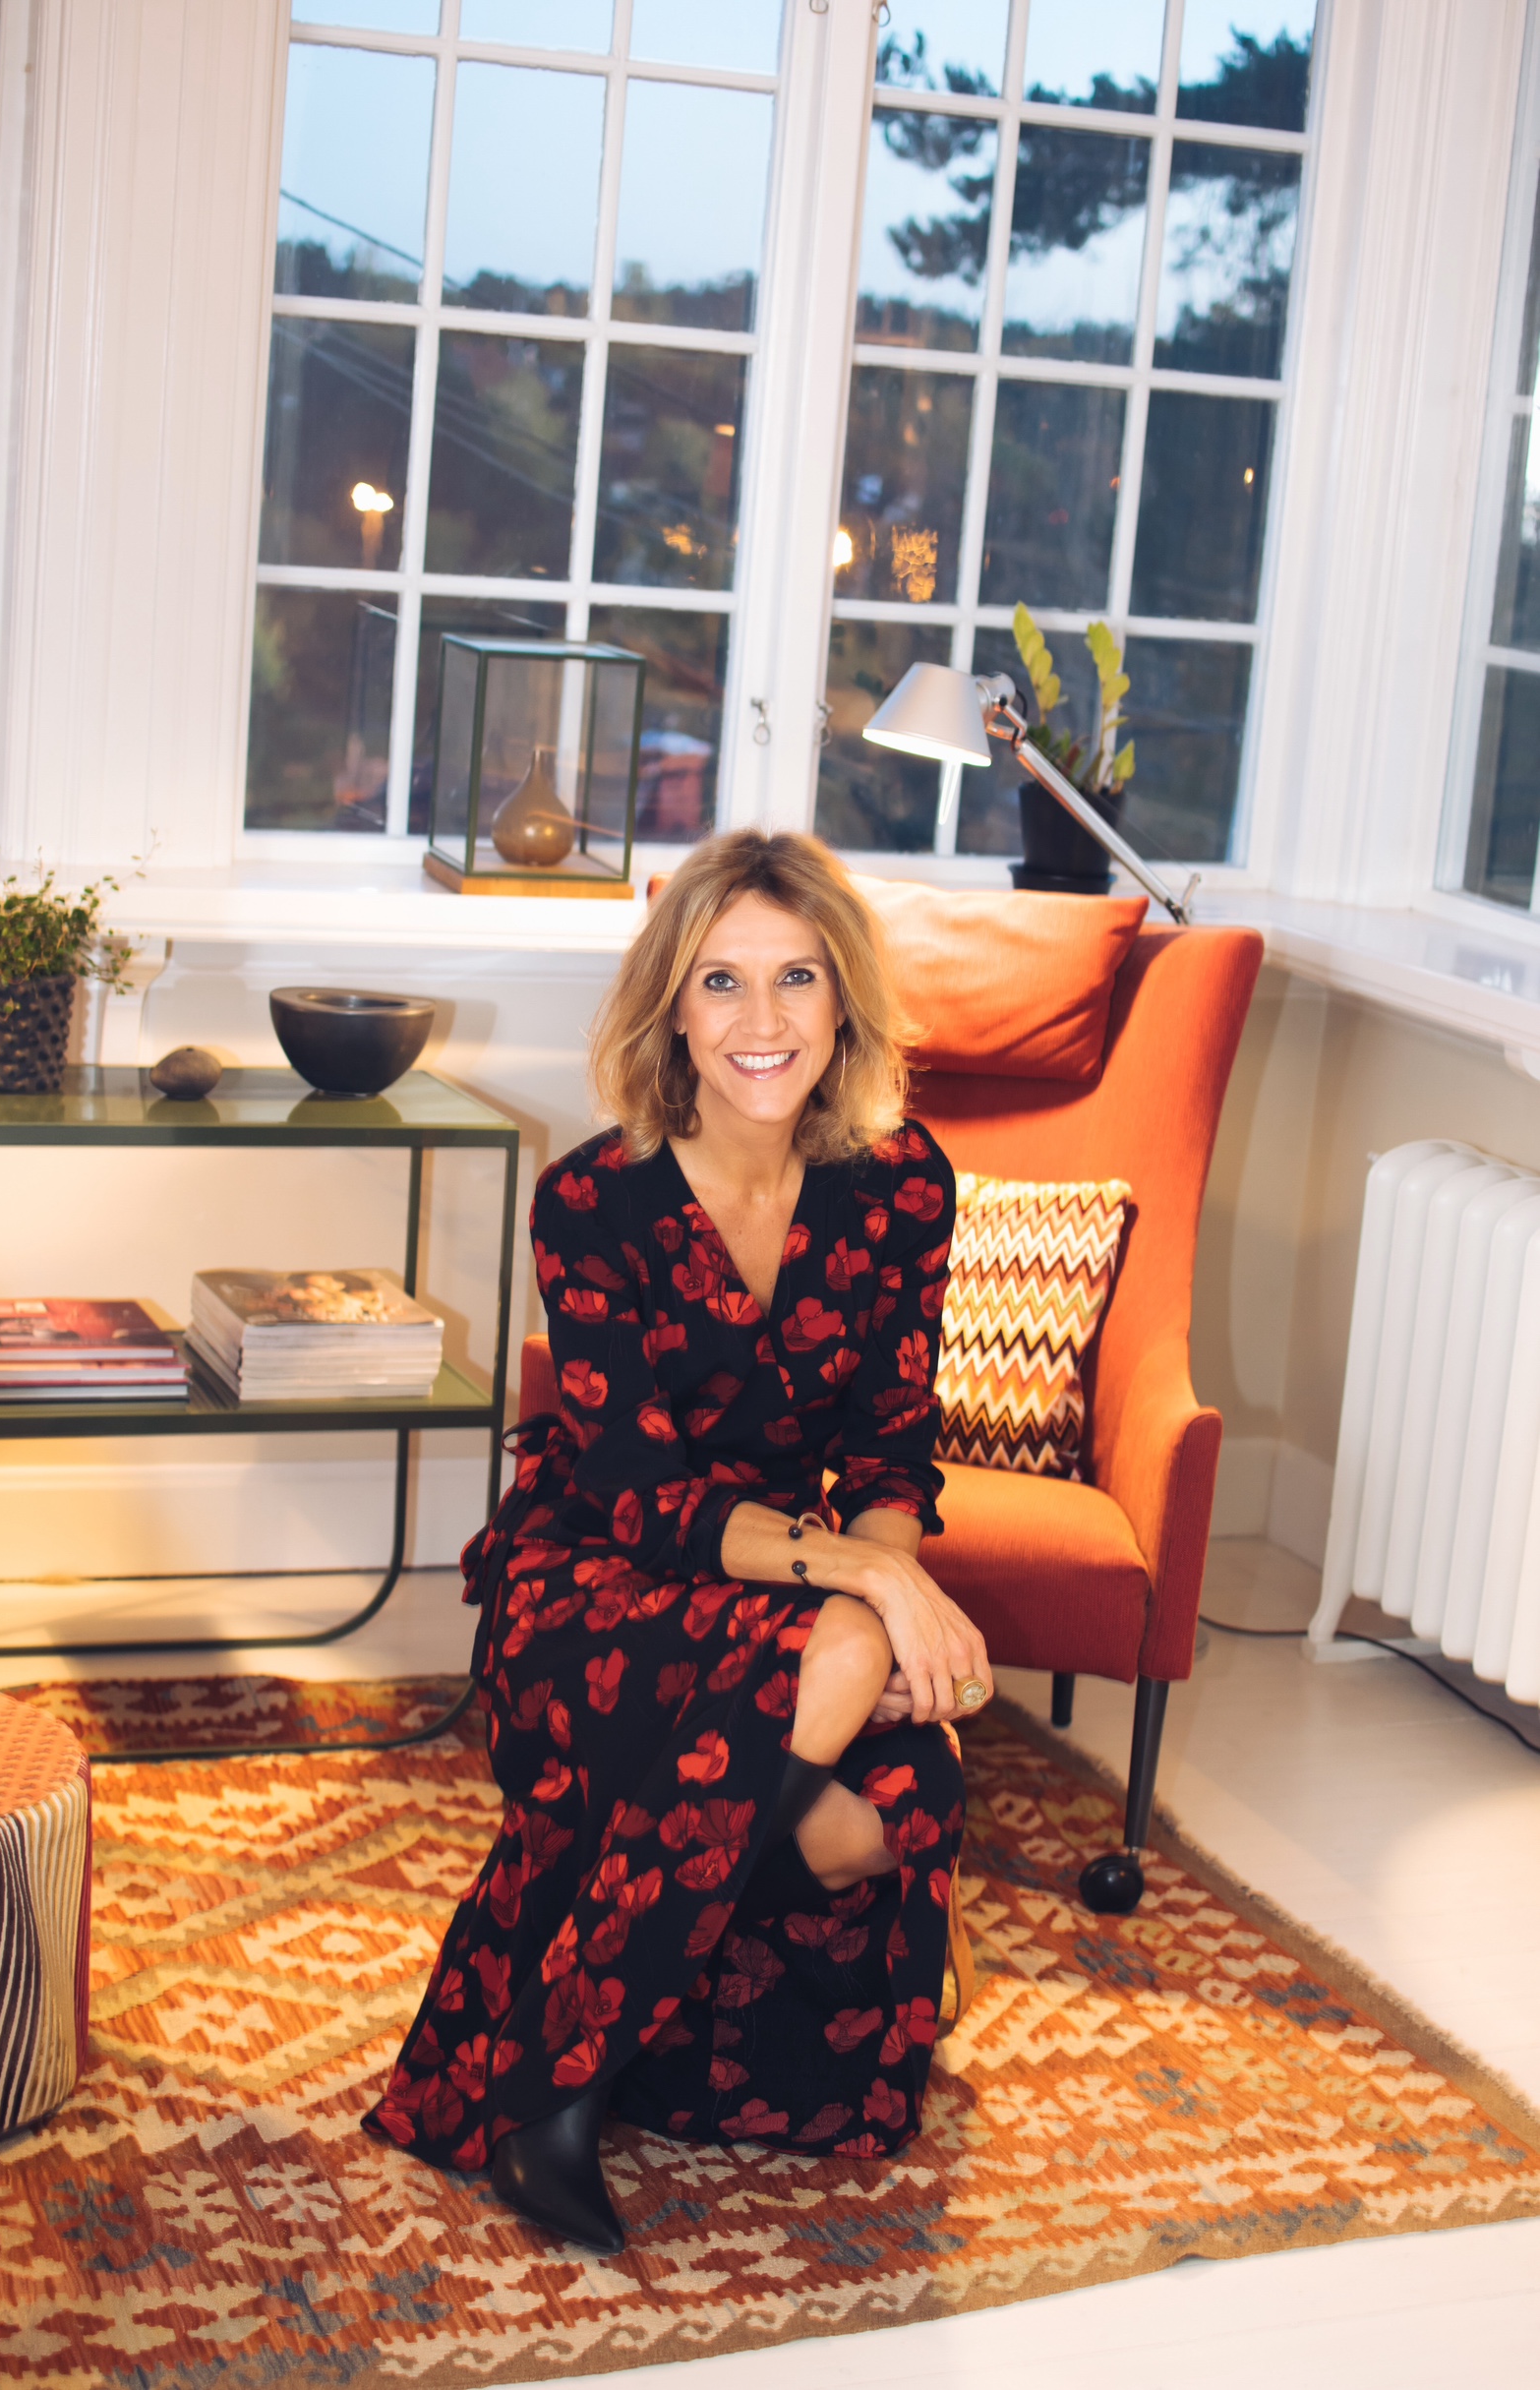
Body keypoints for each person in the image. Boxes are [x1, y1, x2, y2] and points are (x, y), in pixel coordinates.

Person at [363, 829, 991, 2253]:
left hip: (790, 1586)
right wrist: (875, 1586)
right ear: (674, 1008)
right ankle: (558, 2099)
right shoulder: (592, 1201)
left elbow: (891, 1447)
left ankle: (610, 2017)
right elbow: (646, 1497)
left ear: (843, 1001)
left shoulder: (903, 1182)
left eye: (797, 978)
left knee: (905, 1802)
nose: (762, 1019)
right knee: (848, 1664)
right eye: (722, 981)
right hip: (597, 1577)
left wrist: (883, 1579)